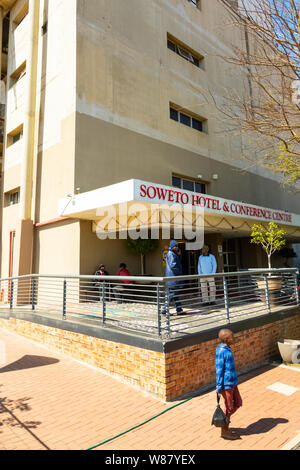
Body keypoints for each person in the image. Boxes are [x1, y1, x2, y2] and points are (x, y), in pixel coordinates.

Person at [216, 328, 242, 440]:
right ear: (227, 339)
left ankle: (225, 422)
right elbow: (219, 370)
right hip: (226, 385)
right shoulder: (222, 351)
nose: (234, 338)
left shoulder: (227, 349)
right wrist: (218, 387)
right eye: (232, 336)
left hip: (233, 382)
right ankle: (224, 431)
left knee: (238, 403)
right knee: (229, 407)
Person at [161, 240, 183, 315]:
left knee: (175, 294)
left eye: (177, 246)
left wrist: (179, 255)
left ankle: (179, 309)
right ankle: (164, 309)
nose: (176, 247)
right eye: (175, 246)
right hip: (173, 278)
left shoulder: (173, 254)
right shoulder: (171, 254)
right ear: (171, 246)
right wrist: (179, 272)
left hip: (173, 278)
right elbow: (173, 266)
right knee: (172, 294)